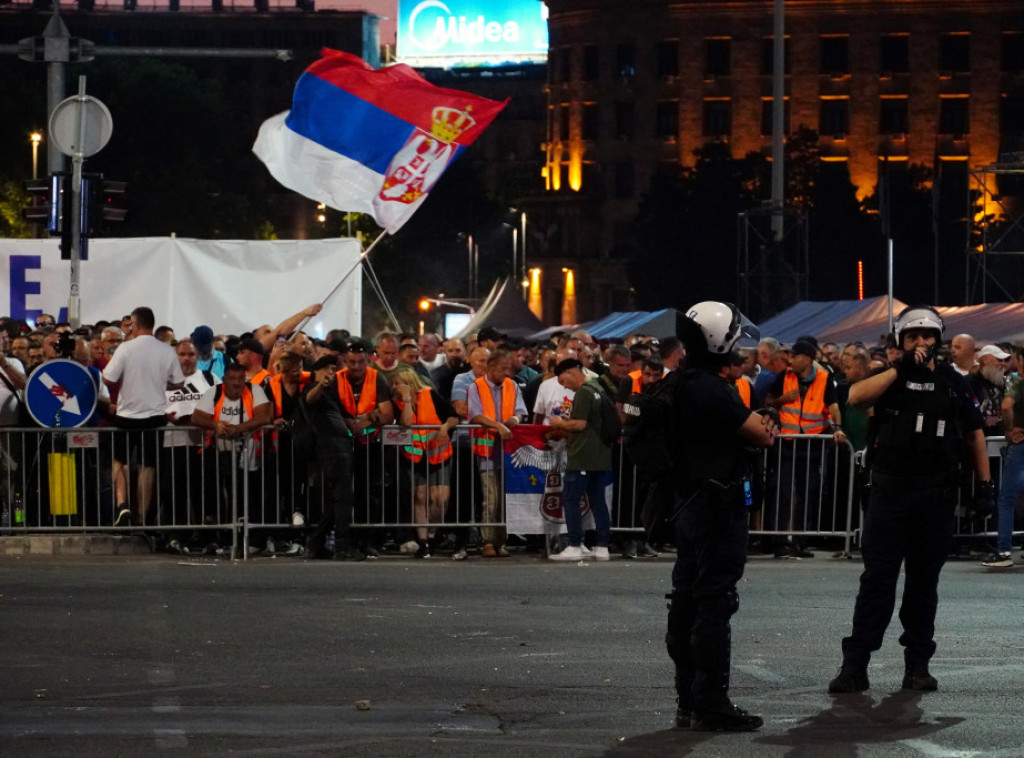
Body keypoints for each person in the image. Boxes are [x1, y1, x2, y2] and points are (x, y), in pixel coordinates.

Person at [828, 305, 992, 694]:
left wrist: (985, 486)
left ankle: (917, 665)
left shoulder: (954, 382)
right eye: (912, 336)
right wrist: (900, 369)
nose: (921, 342)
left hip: (934, 496)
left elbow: (974, 434)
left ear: (938, 340)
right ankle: (856, 666)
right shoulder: (889, 377)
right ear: (901, 342)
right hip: (889, 494)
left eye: (928, 335)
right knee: (877, 581)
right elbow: (855, 398)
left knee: (923, 584)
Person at [664, 302, 777, 732]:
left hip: (687, 504)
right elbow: (761, 435)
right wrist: (767, 421)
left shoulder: (677, 382)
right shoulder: (711, 388)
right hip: (717, 507)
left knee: (687, 597)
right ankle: (711, 703)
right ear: (718, 339)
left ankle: (688, 700)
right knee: (714, 601)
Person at [103, 306, 185, 526]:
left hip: (126, 414)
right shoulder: (167, 350)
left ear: (135, 324)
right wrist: (159, 382)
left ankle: (122, 505)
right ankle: (142, 518)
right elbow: (178, 382)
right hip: (154, 416)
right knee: (147, 466)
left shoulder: (125, 349)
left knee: (119, 462)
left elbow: (108, 379)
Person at [191, 362, 273, 552]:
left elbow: (264, 417)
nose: (237, 384)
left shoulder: (255, 390)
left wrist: (239, 429)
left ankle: (251, 539)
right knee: (221, 496)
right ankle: (223, 537)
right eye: (232, 379)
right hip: (220, 453)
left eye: (240, 379)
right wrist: (215, 425)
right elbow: (197, 417)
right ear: (225, 379)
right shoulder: (214, 392)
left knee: (249, 494)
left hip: (250, 453)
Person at [548, 358, 614, 562]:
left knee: (571, 499)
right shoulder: (598, 387)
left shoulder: (584, 392)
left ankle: (575, 545)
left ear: (570, 372)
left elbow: (579, 425)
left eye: (563, 381)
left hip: (583, 454)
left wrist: (560, 422)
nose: (565, 387)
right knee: (598, 501)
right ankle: (602, 546)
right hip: (600, 454)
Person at [391, 365, 459, 559]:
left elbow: (453, 416)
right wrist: (406, 400)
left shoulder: (431, 395)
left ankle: (432, 534)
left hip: (439, 453)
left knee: (441, 498)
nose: (395, 387)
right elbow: (407, 423)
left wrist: (445, 427)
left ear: (409, 382)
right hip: (414, 456)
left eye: (398, 383)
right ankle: (423, 542)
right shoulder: (398, 402)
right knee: (420, 497)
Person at [302, 355, 365, 561]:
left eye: (333, 368)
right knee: (343, 498)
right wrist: (320, 385)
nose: (331, 372)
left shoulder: (332, 392)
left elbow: (347, 416)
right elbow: (309, 399)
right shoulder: (313, 387)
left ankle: (316, 542)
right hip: (332, 447)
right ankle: (342, 547)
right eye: (327, 368)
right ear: (317, 371)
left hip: (340, 446)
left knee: (337, 500)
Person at [468, 350, 527, 558]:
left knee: (504, 500)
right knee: (490, 499)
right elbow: (476, 415)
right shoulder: (476, 387)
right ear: (490, 368)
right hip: (486, 451)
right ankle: (488, 541)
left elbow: (521, 412)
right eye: (503, 369)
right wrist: (498, 426)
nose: (506, 372)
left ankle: (501, 541)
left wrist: (516, 420)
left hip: (508, 452)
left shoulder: (512, 386)